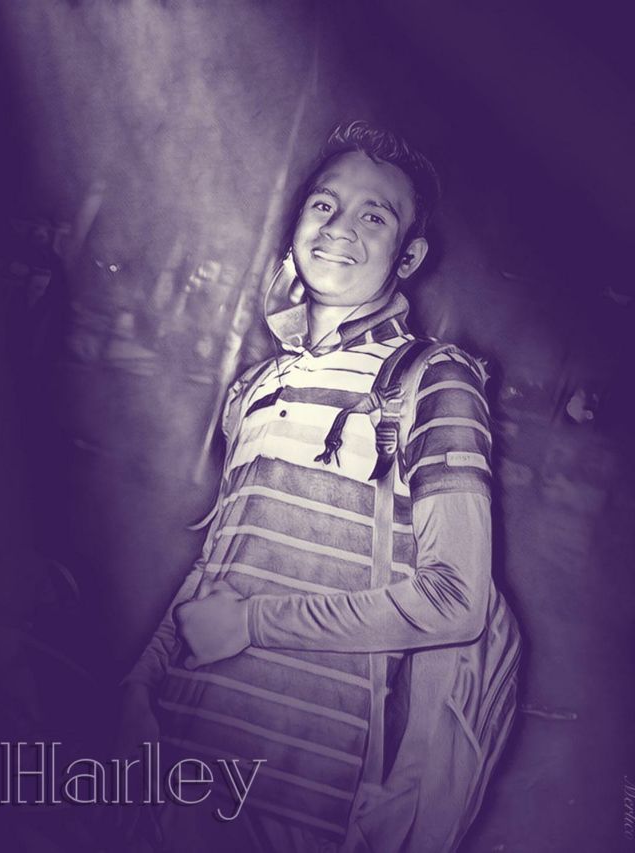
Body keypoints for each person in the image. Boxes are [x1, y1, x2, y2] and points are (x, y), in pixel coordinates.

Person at [118, 120, 522, 853]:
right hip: (176, 755)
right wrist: (141, 684)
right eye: (324, 204)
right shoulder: (257, 385)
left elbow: (455, 599)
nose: (339, 228)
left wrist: (254, 623)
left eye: (375, 217)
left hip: (309, 793)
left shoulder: (435, 380)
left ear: (409, 256)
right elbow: (217, 564)